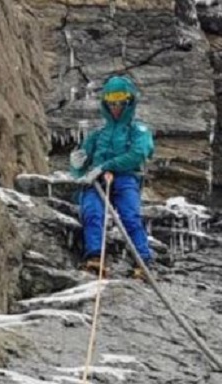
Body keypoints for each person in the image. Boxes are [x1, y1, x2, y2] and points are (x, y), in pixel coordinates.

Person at [69, 75, 155, 275]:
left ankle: (143, 262)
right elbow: (81, 163)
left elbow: (137, 154)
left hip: (126, 179)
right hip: (96, 182)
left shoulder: (138, 130)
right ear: (106, 104)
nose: (116, 107)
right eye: (112, 103)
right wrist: (77, 166)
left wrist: (105, 166)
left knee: (130, 217)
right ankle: (94, 257)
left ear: (129, 102)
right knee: (92, 213)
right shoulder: (97, 135)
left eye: (120, 103)